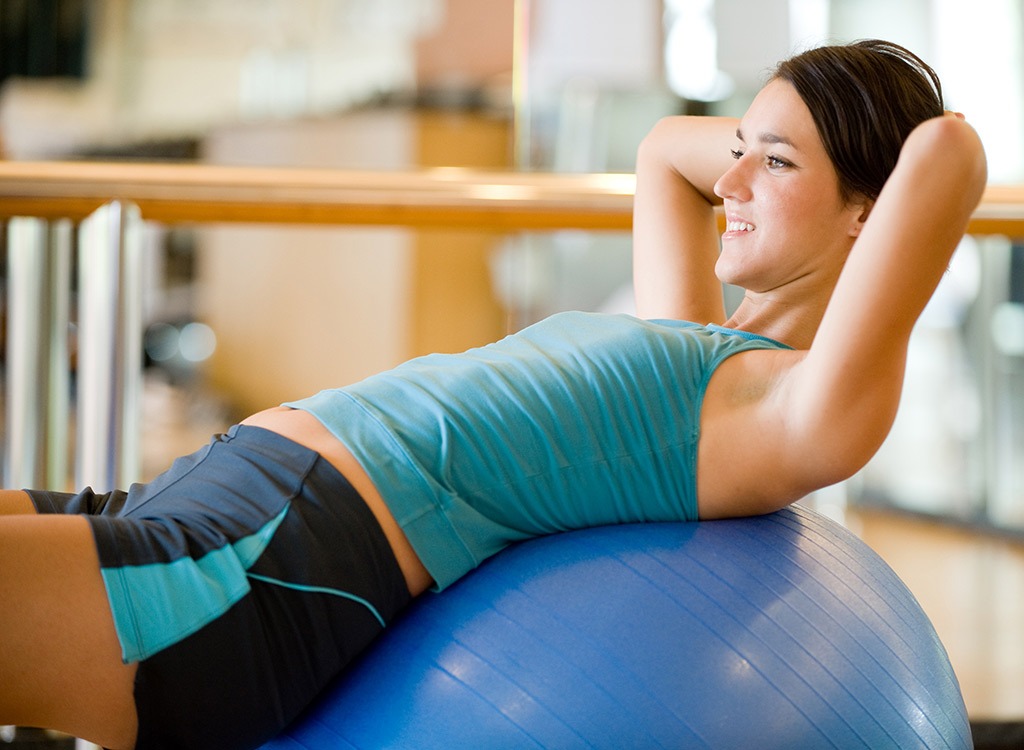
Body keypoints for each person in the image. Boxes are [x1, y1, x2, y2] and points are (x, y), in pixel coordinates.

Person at [0, 39, 986, 750]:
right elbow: (659, 153)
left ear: (872, 209)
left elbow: (948, 150)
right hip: (208, 497)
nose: (729, 179)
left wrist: (868, 128)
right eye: (741, 147)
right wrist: (772, 140)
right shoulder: (691, 337)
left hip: (260, 569)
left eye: (773, 165)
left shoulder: (798, 415)